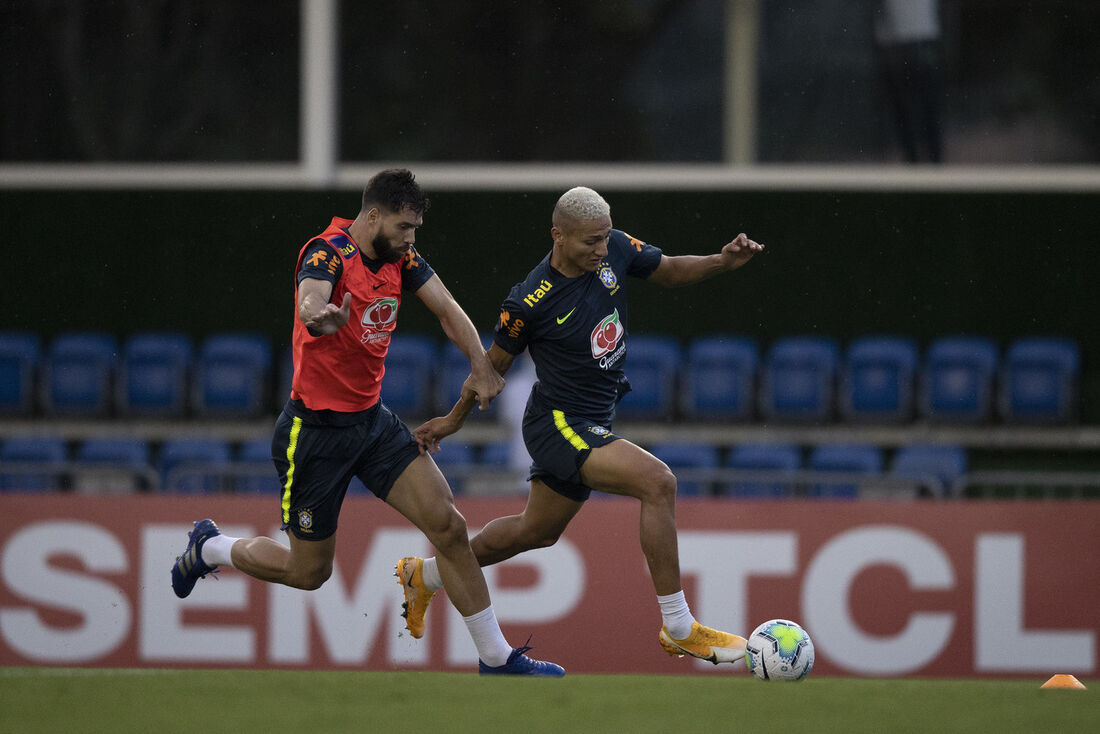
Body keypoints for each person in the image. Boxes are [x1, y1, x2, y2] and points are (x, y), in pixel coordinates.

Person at [171, 168, 563, 677]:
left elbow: (446, 308)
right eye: (404, 227)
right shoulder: (327, 252)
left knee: (449, 526)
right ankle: (211, 547)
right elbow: (311, 298)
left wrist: (480, 363)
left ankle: (496, 658)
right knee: (308, 572)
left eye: (415, 229)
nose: (410, 238)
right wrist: (322, 316)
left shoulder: (403, 257)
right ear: (373, 215)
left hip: (372, 424)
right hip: (313, 433)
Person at [396, 186, 763, 665]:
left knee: (536, 531)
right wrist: (452, 420)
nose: (600, 250)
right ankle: (678, 626)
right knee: (658, 482)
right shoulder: (530, 300)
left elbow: (668, 269)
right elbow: (491, 368)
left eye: (604, 238)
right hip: (558, 425)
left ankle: (422, 575)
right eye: (589, 241)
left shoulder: (613, 247)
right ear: (558, 235)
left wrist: (720, 260)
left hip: (592, 418)